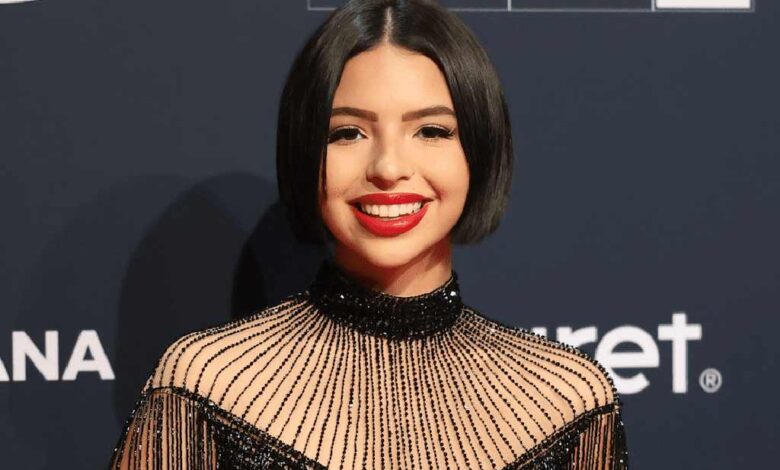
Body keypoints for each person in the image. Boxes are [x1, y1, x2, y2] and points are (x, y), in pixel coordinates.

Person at [109, 0, 629, 468]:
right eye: (348, 133)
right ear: (304, 151)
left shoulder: (569, 402)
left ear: (480, 150)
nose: (387, 167)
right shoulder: (206, 388)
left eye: (431, 130)